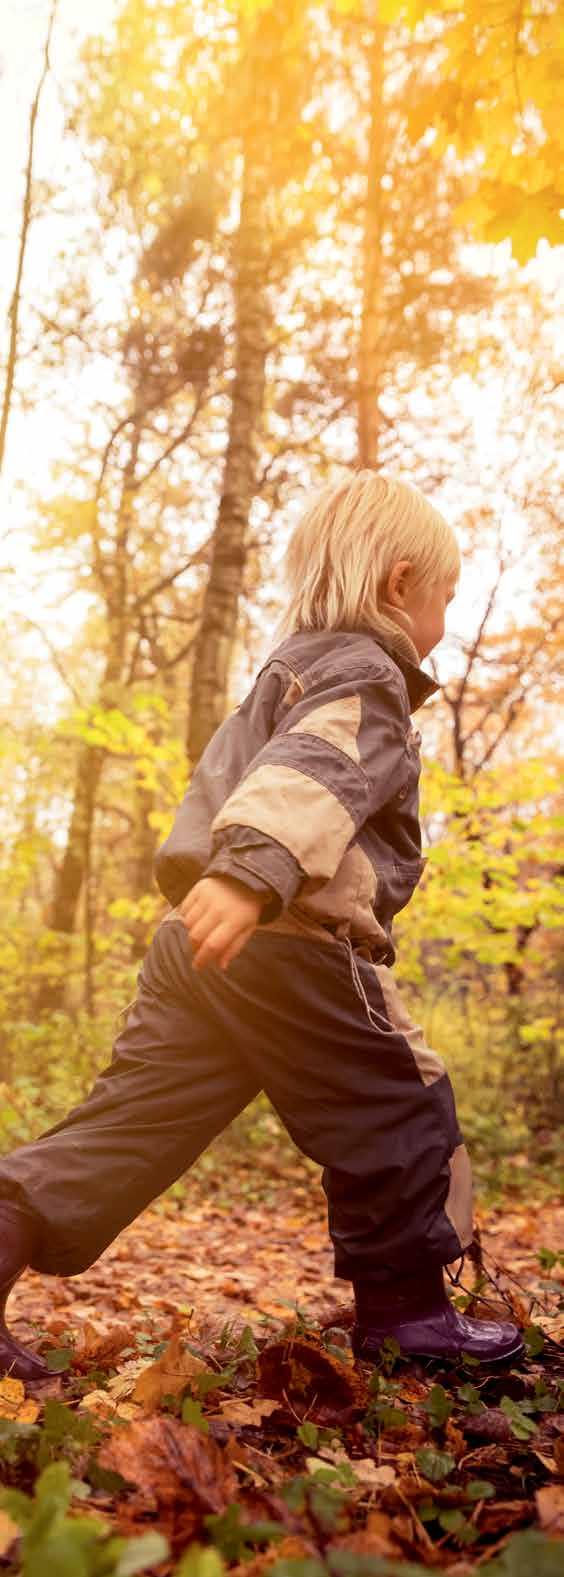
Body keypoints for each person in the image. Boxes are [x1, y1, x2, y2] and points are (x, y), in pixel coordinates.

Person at [0, 471, 522, 1381]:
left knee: (131, 1126)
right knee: (400, 1108)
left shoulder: (281, 675)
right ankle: (409, 1315)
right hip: (294, 944)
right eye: (445, 594)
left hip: (203, 949)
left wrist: (223, 884)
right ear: (401, 585)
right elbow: (309, 774)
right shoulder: (365, 673)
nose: (445, 614)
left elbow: (235, 781)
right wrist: (251, 877)